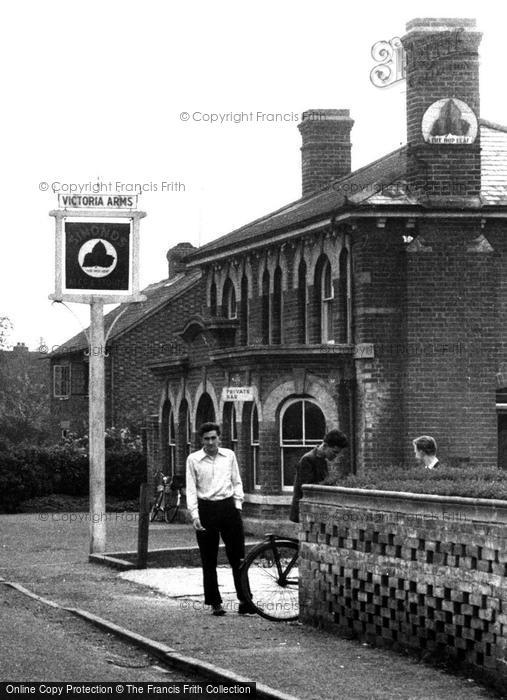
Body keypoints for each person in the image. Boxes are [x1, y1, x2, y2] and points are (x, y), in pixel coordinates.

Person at [185, 422, 255, 616]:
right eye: (206, 438)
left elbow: (237, 481)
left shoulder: (229, 456)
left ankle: (245, 600)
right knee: (209, 559)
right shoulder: (193, 459)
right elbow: (191, 490)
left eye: (213, 438)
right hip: (206, 510)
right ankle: (215, 602)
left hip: (228, 508)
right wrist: (195, 515)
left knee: (238, 558)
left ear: (219, 438)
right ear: (201, 440)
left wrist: (238, 506)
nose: (210, 442)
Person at [289, 429, 349, 523]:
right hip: (303, 511)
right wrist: (328, 483)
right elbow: (306, 488)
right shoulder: (307, 459)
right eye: (334, 452)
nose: (336, 456)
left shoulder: (322, 460)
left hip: (314, 511)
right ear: (325, 446)